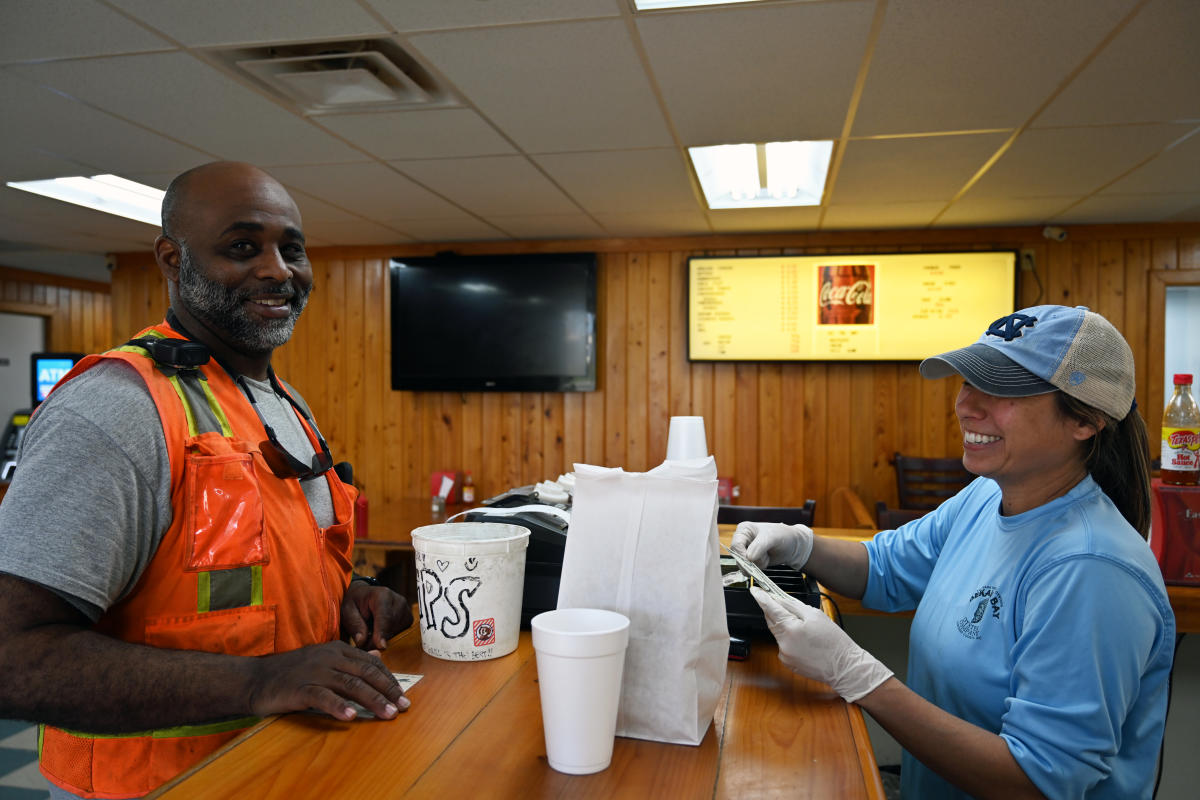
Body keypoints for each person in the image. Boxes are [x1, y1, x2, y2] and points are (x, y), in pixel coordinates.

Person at [0, 162, 414, 799]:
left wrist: (346, 594)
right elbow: (14, 659)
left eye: (291, 248)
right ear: (173, 258)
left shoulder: (282, 401)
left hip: (270, 766)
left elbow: (243, 575)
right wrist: (259, 681)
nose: (278, 269)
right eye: (243, 247)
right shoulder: (115, 410)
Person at [732, 305, 1175, 799]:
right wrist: (800, 543)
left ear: (1085, 421)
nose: (968, 405)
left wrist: (857, 676)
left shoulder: (1091, 569)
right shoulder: (987, 495)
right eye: (970, 380)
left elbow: (1037, 783)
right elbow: (884, 568)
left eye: (1005, 388)